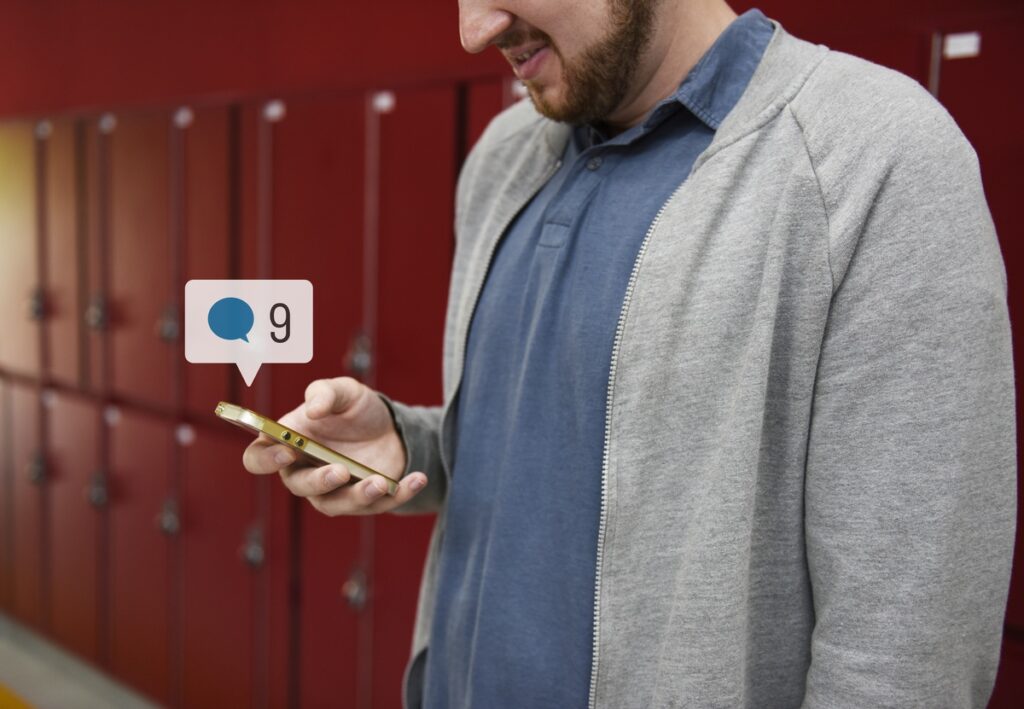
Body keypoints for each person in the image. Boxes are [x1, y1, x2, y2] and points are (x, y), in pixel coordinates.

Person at [243, 1, 1017, 706]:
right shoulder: (506, 155)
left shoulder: (876, 155)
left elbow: (908, 653)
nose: (473, 30)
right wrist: (413, 445)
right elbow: (578, 458)